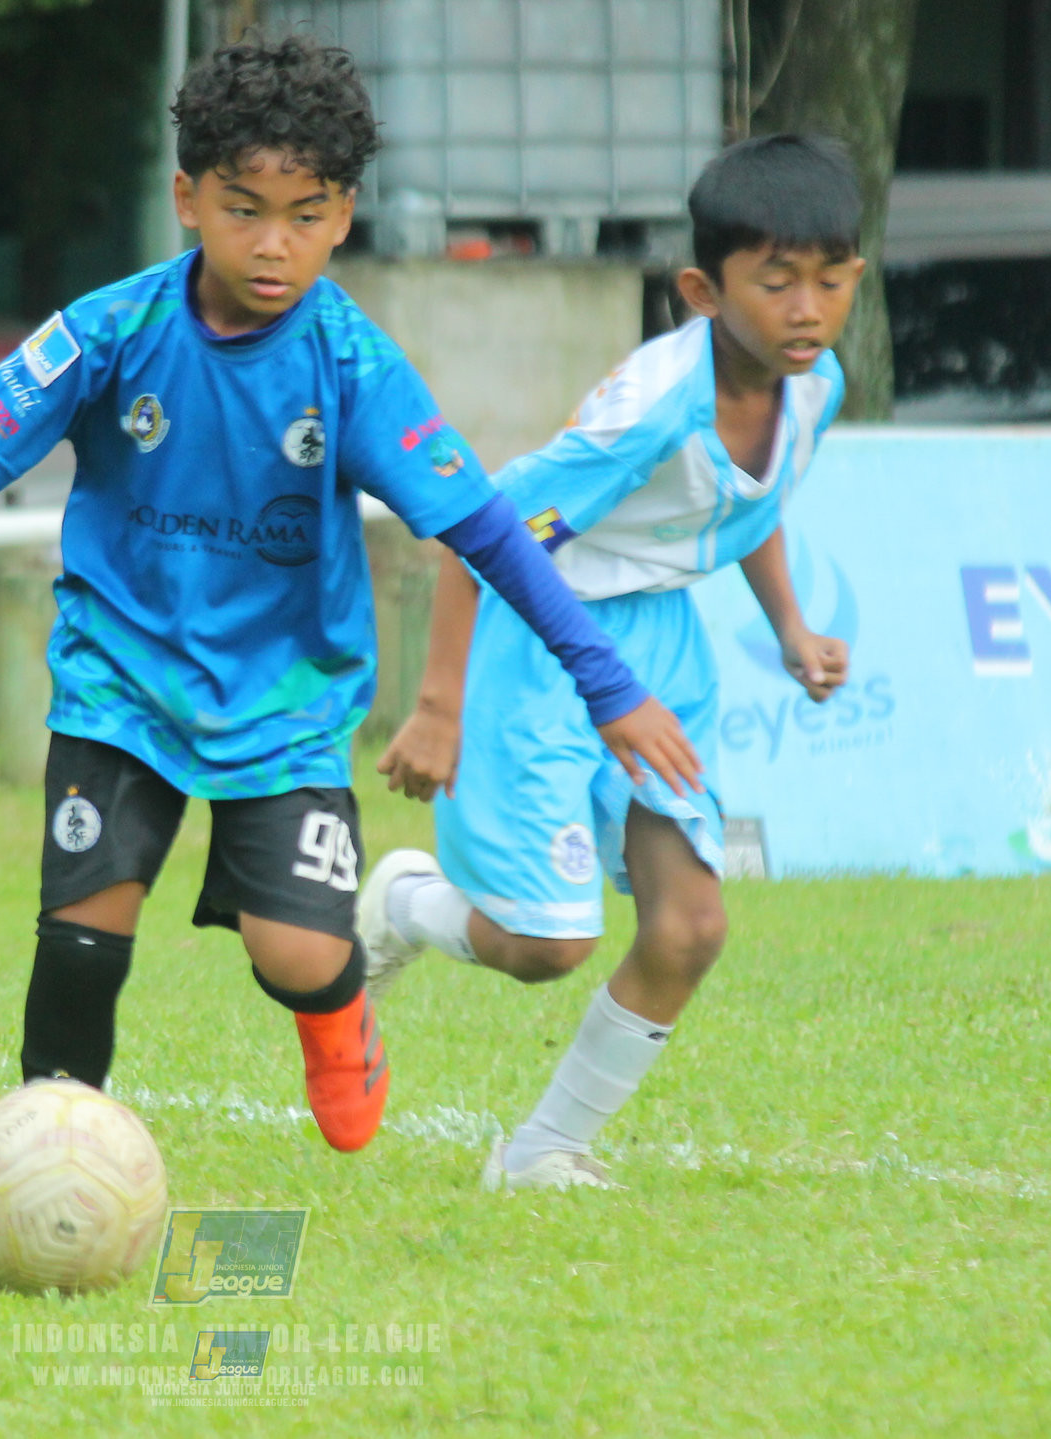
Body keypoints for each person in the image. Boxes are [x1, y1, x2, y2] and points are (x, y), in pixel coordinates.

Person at [0, 34, 699, 1154]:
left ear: (344, 212)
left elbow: (487, 534)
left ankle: (339, 1004)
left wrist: (606, 686)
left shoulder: (351, 365)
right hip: (119, 678)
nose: (272, 244)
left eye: (304, 214)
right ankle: (48, 1156)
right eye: (241, 207)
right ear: (185, 198)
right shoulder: (111, 330)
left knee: (297, 954)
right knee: (82, 929)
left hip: (285, 698)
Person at [357, 134, 862, 1189]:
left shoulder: (810, 387)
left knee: (689, 925)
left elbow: (745, 500)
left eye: (828, 279)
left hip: (663, 645)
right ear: (700, 289)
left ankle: (542, 1151)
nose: (805, 307)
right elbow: (481, 526)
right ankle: (402, 903)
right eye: (774, 282)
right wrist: (438, 705)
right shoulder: (649, 407)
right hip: (541, 640)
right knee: (544, 945)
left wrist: (788, 626)